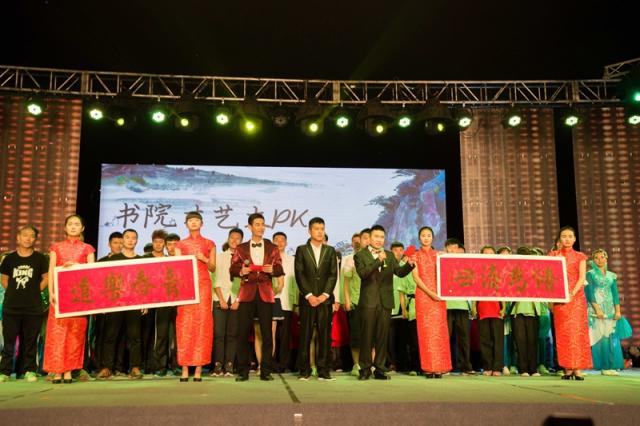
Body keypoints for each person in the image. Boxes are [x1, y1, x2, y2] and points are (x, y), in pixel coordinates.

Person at [354, 224, 415, 380]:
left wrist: (409, 265)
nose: (379, 240)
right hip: (368, 302)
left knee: (382, 337)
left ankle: (380, 368)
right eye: (376, 236)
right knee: (367, 337)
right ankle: (365, 369)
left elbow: (399, 273)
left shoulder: (389, 254)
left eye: (382, 237)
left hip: (385, 302)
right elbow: (363, 274)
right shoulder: (360, 255)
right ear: (369, 238)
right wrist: (378, 261)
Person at [230, 213, 284, 382]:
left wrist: (272, 270)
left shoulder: (272, 247)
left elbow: (280, 268)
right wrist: (241, 271)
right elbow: (232, 269)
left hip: (266, 293)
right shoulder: (241, 248)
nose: (261, 227)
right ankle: (243, 371)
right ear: (250, 227)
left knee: (267, 334)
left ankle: (266, 371)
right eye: (257, 224)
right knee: (242, 333)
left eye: (263, 224)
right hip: (247, 293)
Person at [43, 215, 96, 384]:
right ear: (65, 228)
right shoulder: (56, 247)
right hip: (59, 296)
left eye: (77, 224)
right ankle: (57, 370)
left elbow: (92, 272)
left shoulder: (88, 248)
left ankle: (69, 371)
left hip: (78, 298)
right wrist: (51, 292)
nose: (73, 227)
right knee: (57, 334)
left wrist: (77, 266)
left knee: (75, 334)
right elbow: (51, 270)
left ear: (82, 228)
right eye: (70, 224)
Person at [96, 228, 147, 380]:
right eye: (127, 237)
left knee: (135, 336)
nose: (130, 240)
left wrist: (145, 302)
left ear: (136, 241)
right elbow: (105, 283)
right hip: (115, 303)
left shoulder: (141, 260)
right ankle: (106, 367)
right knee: (110, 336)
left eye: (133, 238)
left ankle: (135, 367)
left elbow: (144, 284)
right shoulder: (113, 259)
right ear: (123, 240)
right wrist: (104, 303)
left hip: (134, 303)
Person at [0, 225, 49, 383]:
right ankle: (5, 371)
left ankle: (29, 370)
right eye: (25, 235)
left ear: (35, 239)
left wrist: (34, 291)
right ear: (18, 237)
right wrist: (14, 292)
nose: (28, 238)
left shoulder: (40, 258)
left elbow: (46, 277)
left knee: (30, 340)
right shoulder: (9, 259)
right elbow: (4, 279)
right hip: (11, 306)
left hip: (33, 307)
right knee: (9, 342)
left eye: (32, 235)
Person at [174, 211, 216, 382]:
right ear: (186, 224)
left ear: (201, 223)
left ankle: (198, 368)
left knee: (202, 325)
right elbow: (176, 268)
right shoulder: (180, 244)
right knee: (184, 325)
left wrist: (204, 259)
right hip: (186, 287)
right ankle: (184, 368)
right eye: (190, 220)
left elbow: (213, 267)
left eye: (196, 220)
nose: (193, 223)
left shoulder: (209, 243)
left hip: (204, 286)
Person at [294, 218, 338, 381]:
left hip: (325, 300)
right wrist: (309, 295)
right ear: (309, 231)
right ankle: (304, 370)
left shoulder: (330, 250)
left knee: (324, 336)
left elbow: (333, 274)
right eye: (316, 228)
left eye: (322, 228)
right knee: (305, 336)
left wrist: (324, 295)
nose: (320, 232)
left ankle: (323, 371)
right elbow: (299, 274)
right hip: (307, 300)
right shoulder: (301, 250)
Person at [548, 226, 592, 380]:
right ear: (560, 238)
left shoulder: (580, 256)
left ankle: (578, 368)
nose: (567, 239)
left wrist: (572, 293)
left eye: (570, 236)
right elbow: (549, 276)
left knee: (578, 333)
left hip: (576, 299)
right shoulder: (553, 255)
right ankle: (567, 368)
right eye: (564, 236)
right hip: (560, 300)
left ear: (574, 239)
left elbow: (582, 277)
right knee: (564, 333)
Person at [412, 227, 451, 378]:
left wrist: (439, 293)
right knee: (426, 332)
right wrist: (430, 293)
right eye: (423, 235)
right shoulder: (415, 256)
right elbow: (416, 278)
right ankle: (428, 367)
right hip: (423, 296)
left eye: (429, 235)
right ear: (419, 238)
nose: (426, 238)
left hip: (439, 296)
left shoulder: (439, 255)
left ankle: (440, 366)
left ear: (433, 238)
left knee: (439, 331)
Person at [585, 249, 625, 375]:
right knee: (601, 337)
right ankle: (605, 367)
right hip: (596, 309)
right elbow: (589, 293)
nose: (599, 260)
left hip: (610, 309)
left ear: (606, 259)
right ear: (593, 260)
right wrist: (597, 309)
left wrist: (618, 310)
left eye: (602, 257)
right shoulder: (590, 274)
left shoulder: (612, 275)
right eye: (596, 258)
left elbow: (615, 294)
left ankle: (611, 365)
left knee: (610, 336)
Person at [211, 227, 243, 377]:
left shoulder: (245, 258)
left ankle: (229, 364)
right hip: (220, 298)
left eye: (238, 238)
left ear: (242, 241)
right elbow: (215, 280)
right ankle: (218, 365)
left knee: (232, 334)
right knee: (219, 334)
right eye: (232, 237)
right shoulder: (219, 257)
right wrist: (221, 299)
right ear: (228, 239)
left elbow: (246, 282)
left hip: (237, 300)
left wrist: (238, 300)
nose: (234, 240)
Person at [444, 238, 474, 375]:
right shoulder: (442, 262)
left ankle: (466, 366)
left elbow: (472, 284)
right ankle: (444, 366)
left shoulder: (466, 264)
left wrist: (472, 305)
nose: (452, 250)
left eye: (454, 248)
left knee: (464, 338)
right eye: (449, 248)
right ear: (446, 249)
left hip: (462, 305)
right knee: (446, 337)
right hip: (446, 305)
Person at [475, 245, 505, 377]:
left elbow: (503, 290)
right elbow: (473, 290)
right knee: (485, 340)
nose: (488, 256)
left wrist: (504, 307)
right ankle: (487, 366)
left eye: (491, 253)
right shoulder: (478, 271)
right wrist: (474, 306)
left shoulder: (499, 271)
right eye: (485, 253)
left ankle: (497, 367)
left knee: (498, 340)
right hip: (483, 308)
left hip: (496, 308)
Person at [342, 229, 368, 376]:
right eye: (356, 241)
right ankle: (356, 364)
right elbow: (346, 282)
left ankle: (370, 364)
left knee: (371, 336)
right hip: (355, 302)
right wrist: (347, 300)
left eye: (361, 240)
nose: (358, 243)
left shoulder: (373, 258)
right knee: (356, 336)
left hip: (370, 303)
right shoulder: (349, 259)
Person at [272, 231, 297, 373]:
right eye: (277, 240)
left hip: (287, 301)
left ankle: (283, 364)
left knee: (285, 335)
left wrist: (295, 302)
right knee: (271, 335)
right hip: (271, 301)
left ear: (286, 243)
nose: (279, 242)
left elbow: (295, 283)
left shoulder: (292, 260)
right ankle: (271, 363)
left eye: (282, 240)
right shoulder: (268, 259)